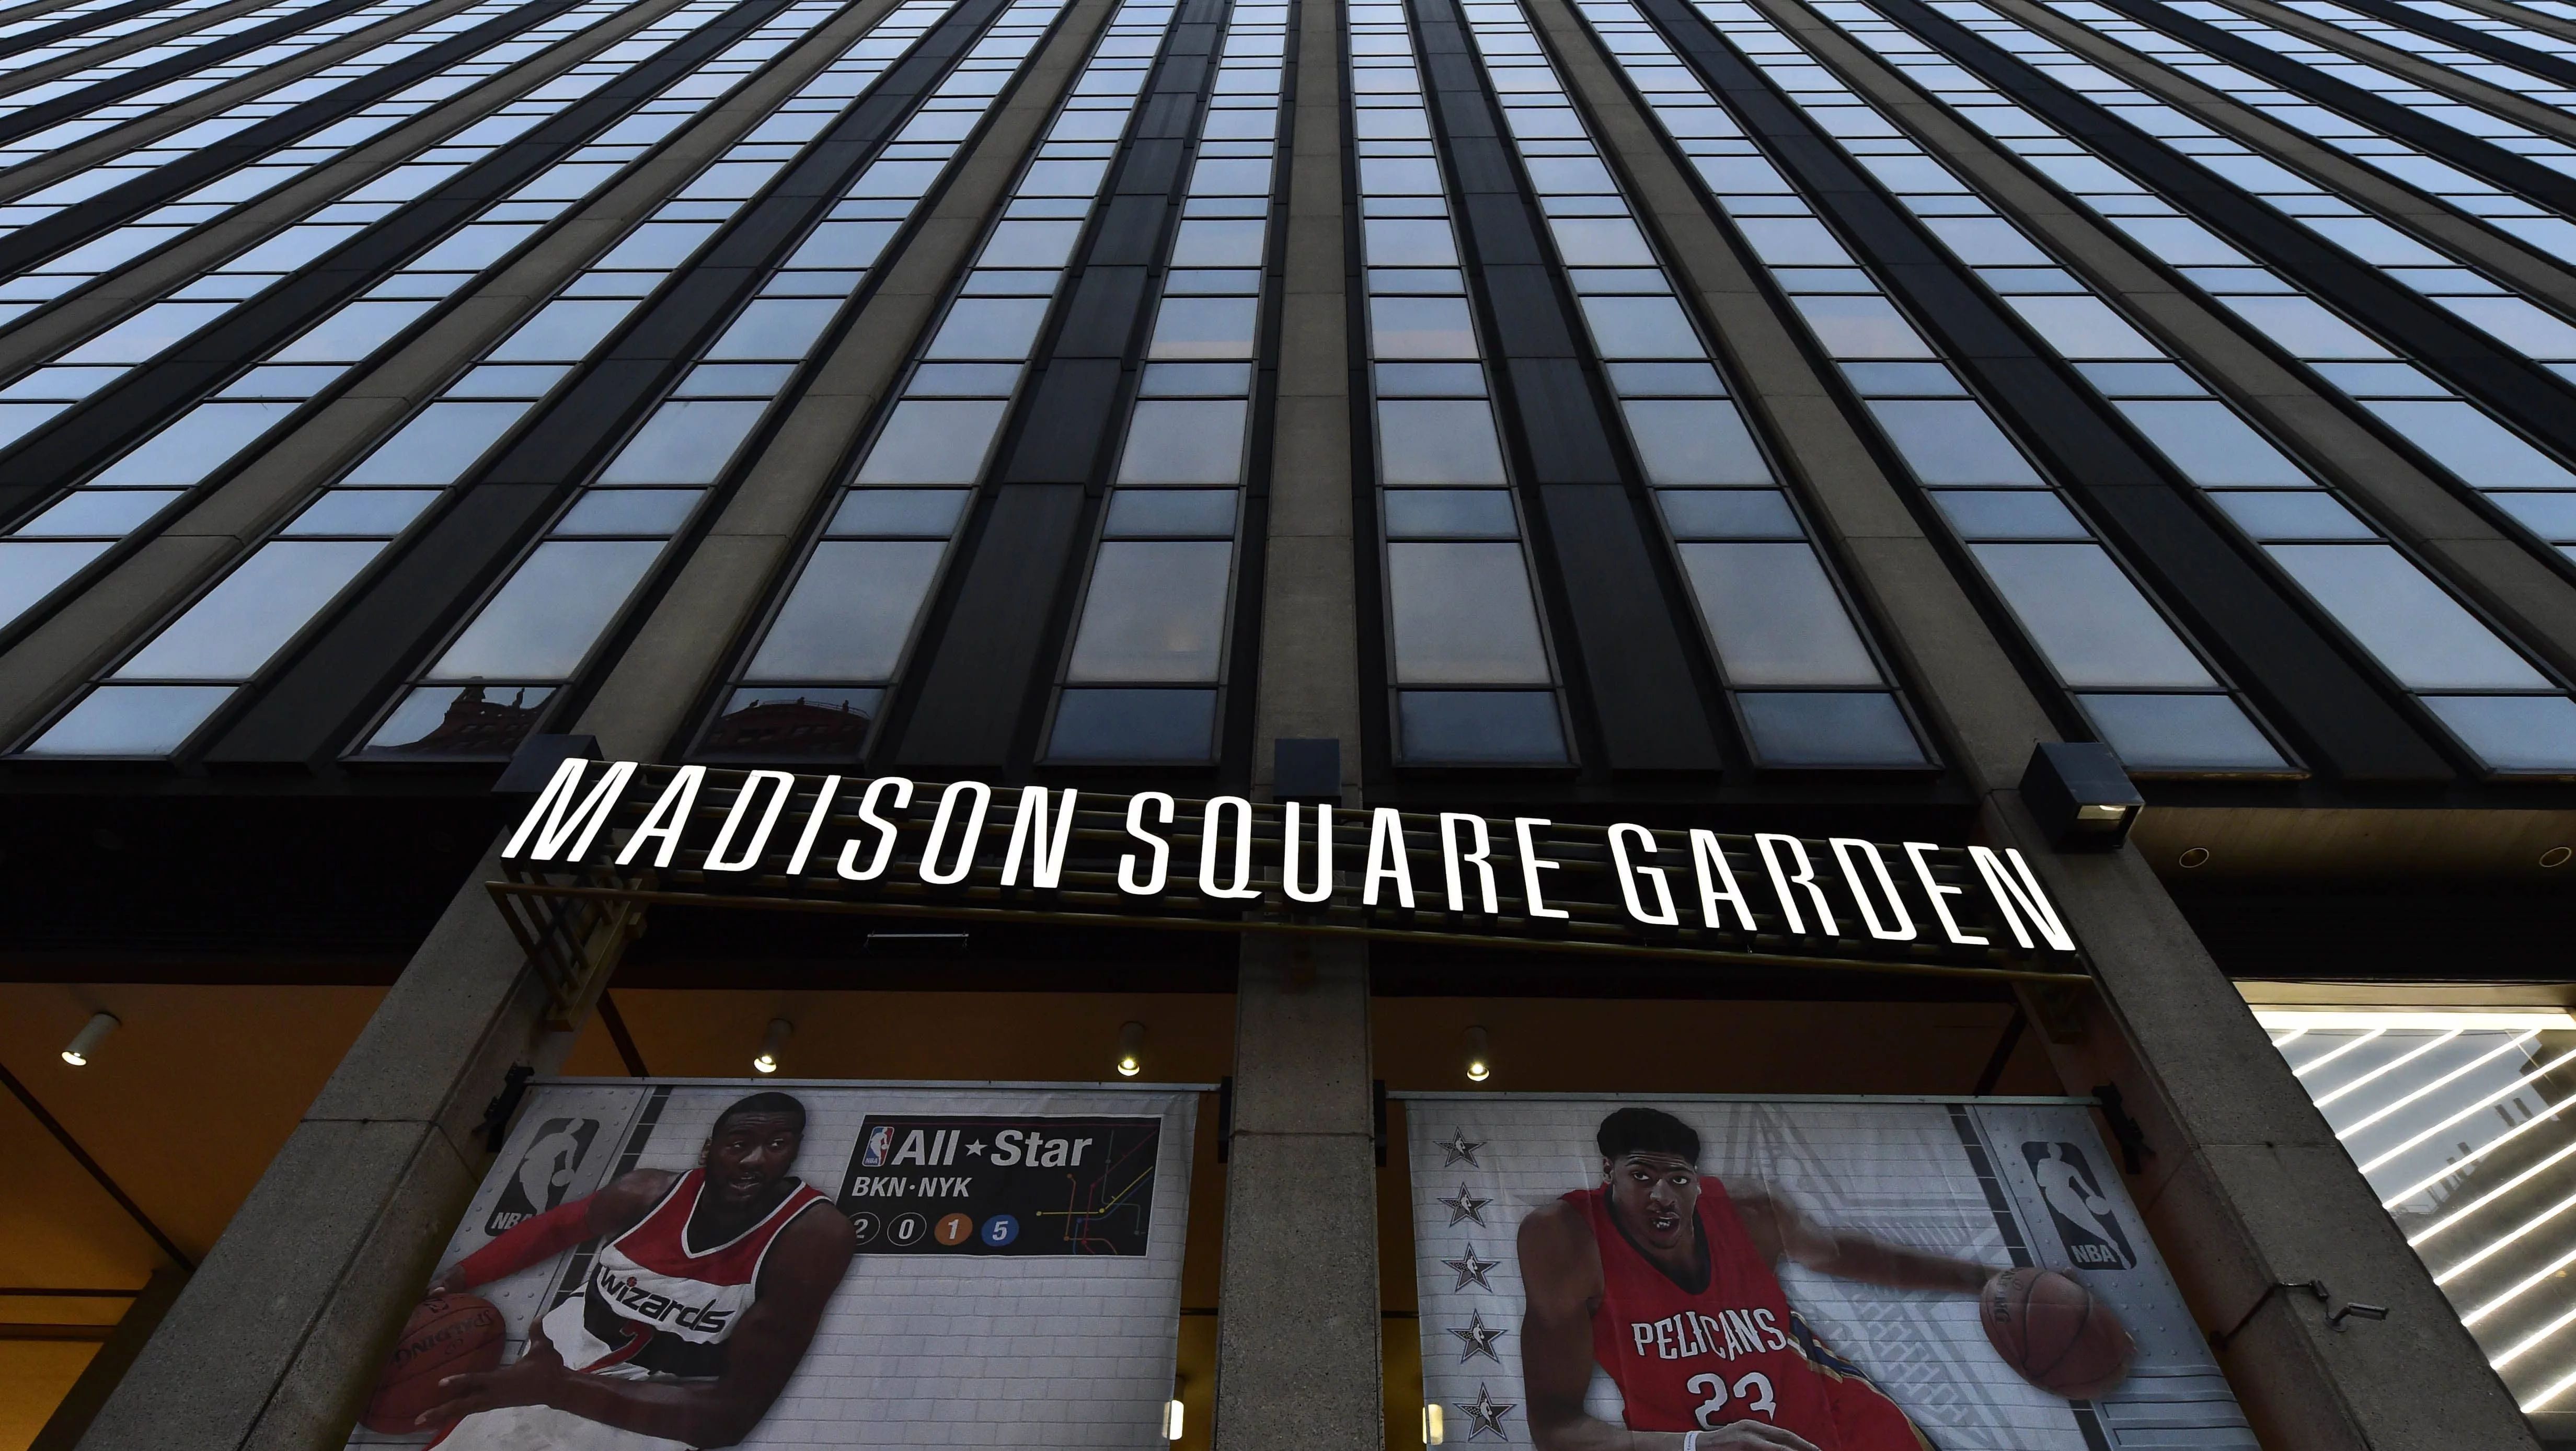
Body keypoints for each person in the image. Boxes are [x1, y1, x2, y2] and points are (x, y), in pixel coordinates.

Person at [1516, 1107, 1994, 1451]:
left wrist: (1984, 1277)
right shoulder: (1567, 1239)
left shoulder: (1748, 1212)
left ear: (1697, 1182)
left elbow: (1842, 1254)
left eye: (1678, 1180)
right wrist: (1693, 1446)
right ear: (1608, 1174)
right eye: (1641, 1176)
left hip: (1842, 1422)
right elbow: (1555, 1425)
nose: (1662, 1195)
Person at [415, 1091, 855, 1450]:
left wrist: (560, 1389)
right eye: (739, 1145)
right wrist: (459, 1276)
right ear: (708, 1149)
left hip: (648, 1419)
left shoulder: (811, 1238)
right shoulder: (645, 1193)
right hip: (547, 1372)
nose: (757, 1160)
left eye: (778, 1145)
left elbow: (729, 1417)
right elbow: (557, 1229)